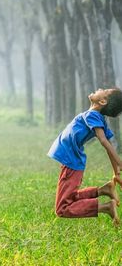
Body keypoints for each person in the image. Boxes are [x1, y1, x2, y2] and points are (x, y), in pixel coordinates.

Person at [48, 88, 122, 226]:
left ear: (102, 101)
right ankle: (103, 190)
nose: (100, 88)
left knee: (62, 209)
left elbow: (104, 141)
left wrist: (119, 163)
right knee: (69, 197)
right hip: (71, 160)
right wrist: (116, 172)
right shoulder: (97, 117)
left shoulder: (93, 115)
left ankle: (105, 207)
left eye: (104, 91)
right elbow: (108, 143)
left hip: (71, 161)